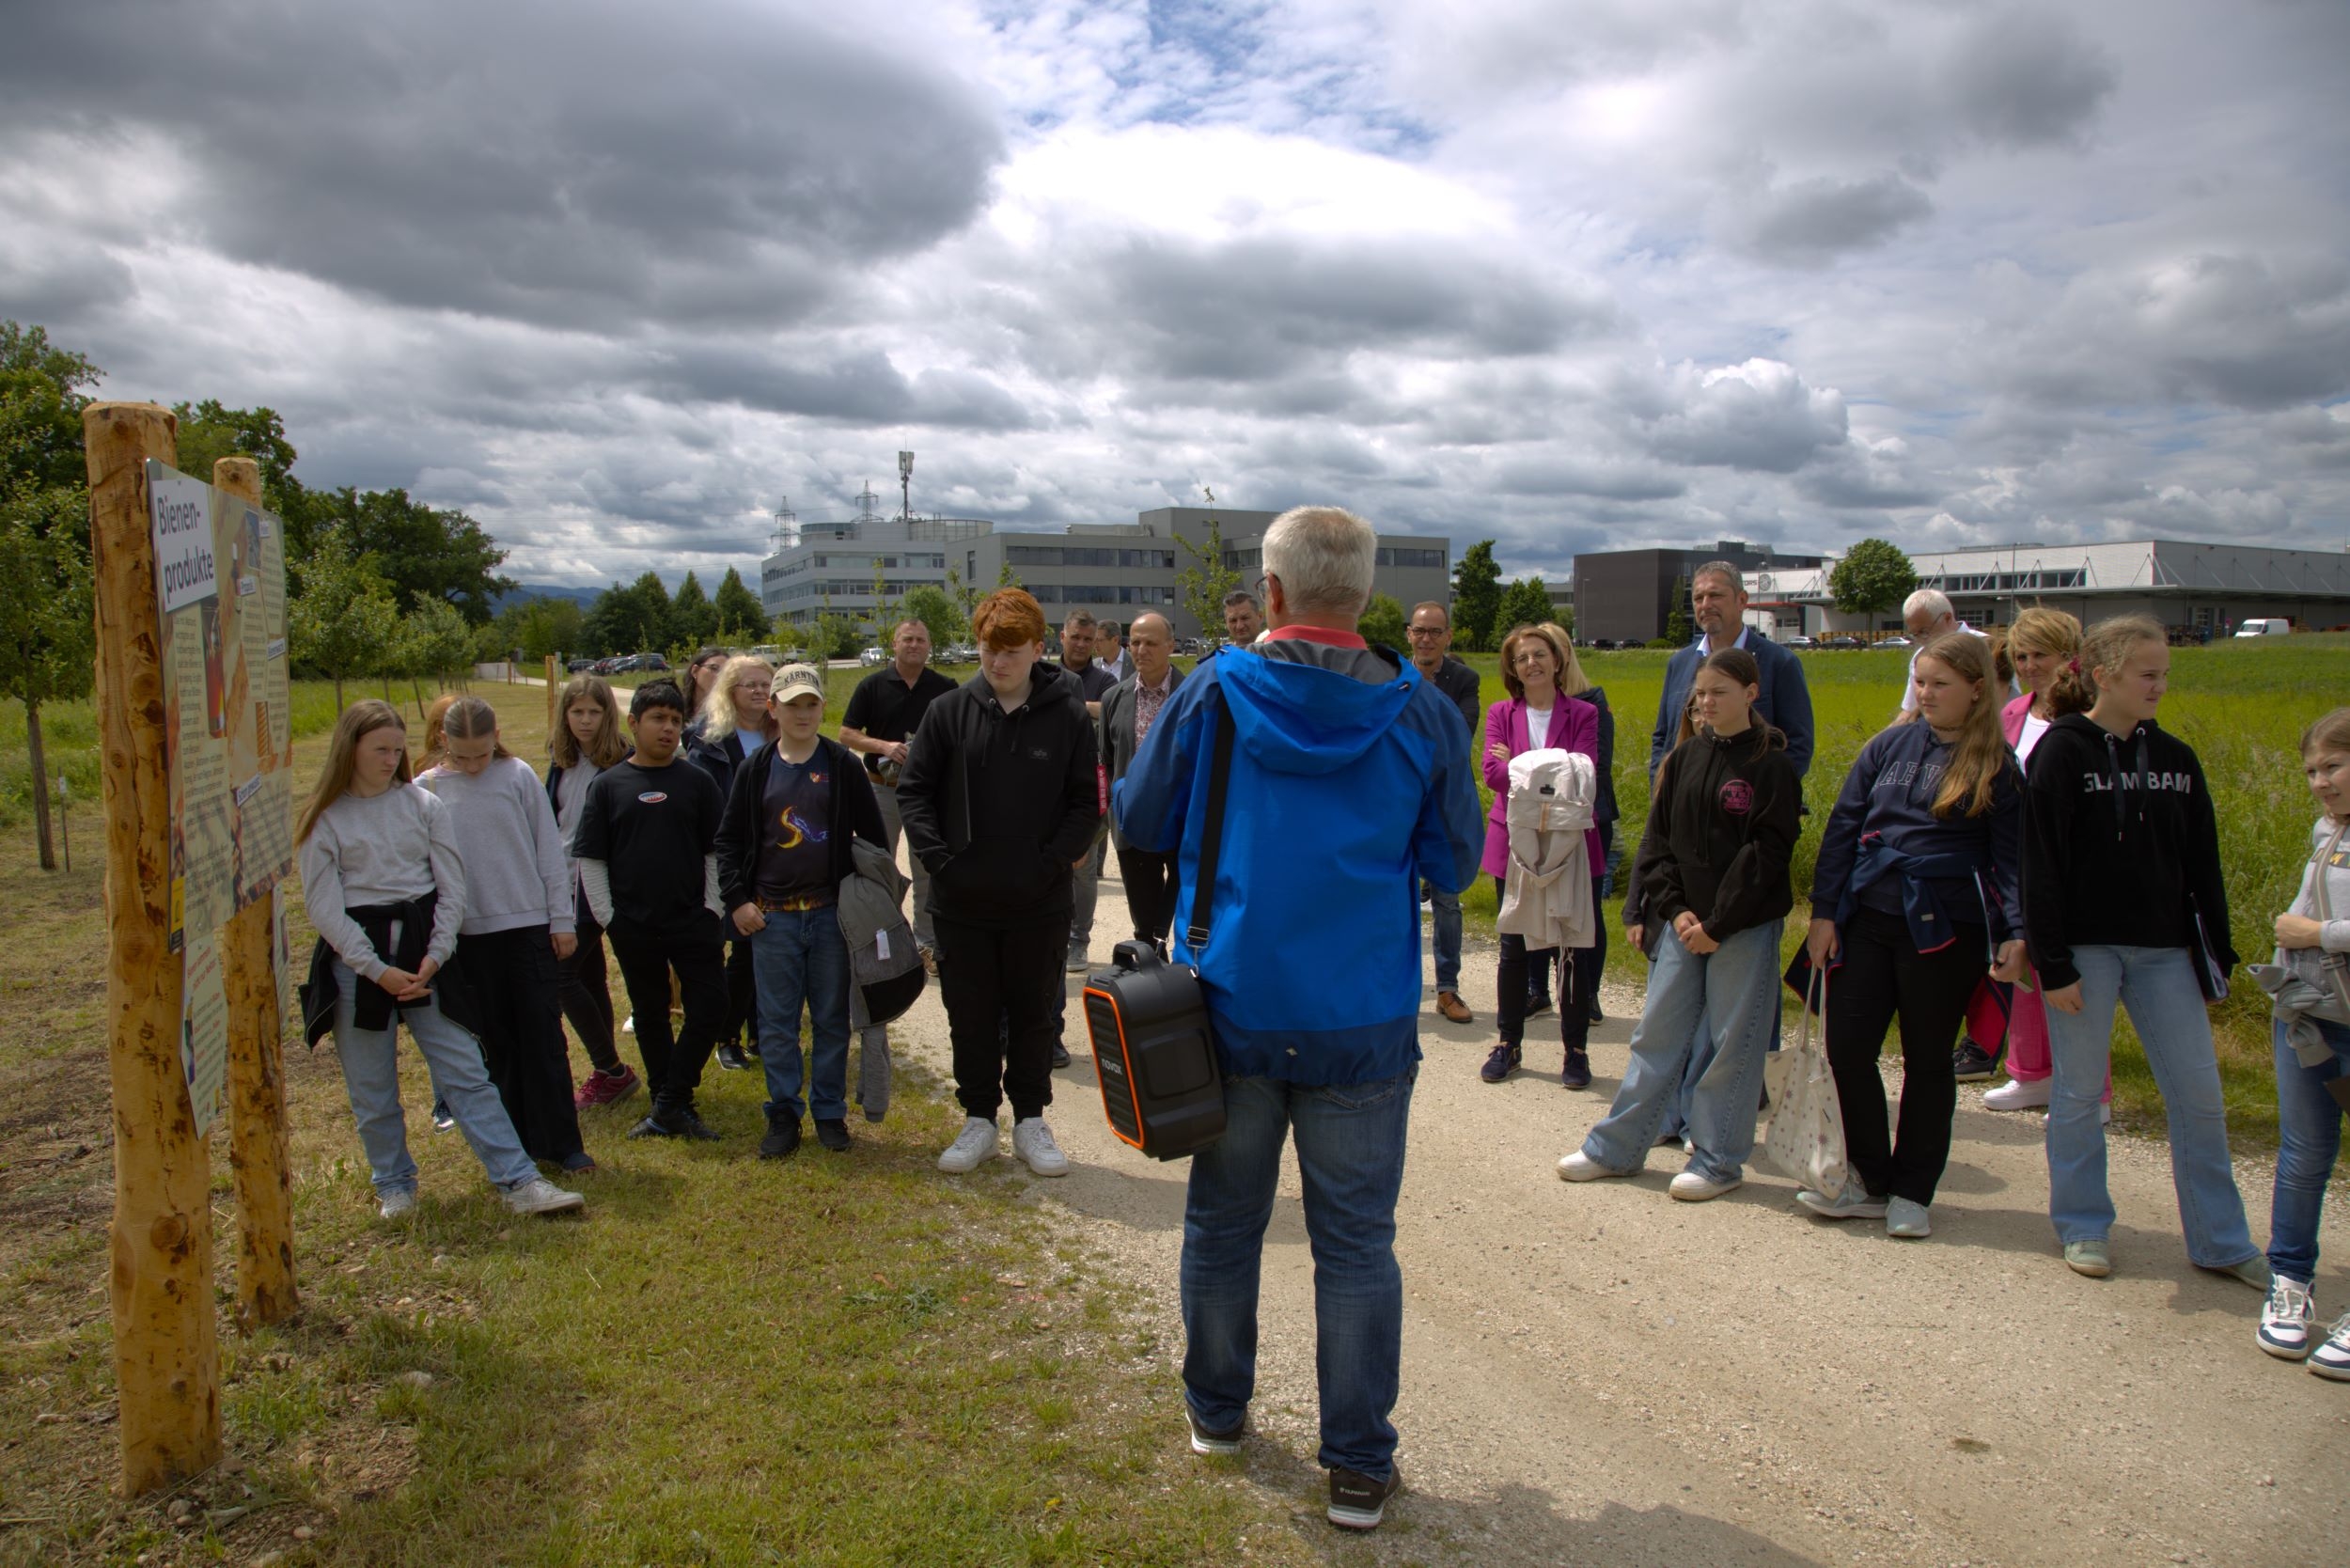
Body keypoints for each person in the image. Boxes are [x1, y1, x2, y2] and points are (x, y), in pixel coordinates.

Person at [1116, 506, 1482, 1534]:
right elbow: (1456, 864)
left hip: (1230, 1003)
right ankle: (1358, 1465)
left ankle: (1217, 1414)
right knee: (1357, 1245)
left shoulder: (1214, 691)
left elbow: (1138, 821)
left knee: (1224, 1223)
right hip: (1359, 1014)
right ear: (1362, 598)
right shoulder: (1421, 714)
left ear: (1269, 594)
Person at [2022, 615, 2265, 1287]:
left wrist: (2216, 958)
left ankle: (2220, 1240)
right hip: (2084, 951)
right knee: (2076, 1094)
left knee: (2198, 1096)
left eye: (2164, 674)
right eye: (2148, 674)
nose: (2160, 685)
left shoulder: (2177, 760)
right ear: (2104, 675)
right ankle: (2083, 1226)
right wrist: (2053, 963)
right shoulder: (2062, 753)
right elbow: (2039, 864)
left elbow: (2202, 867)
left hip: (2164, 954)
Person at [295, 700, 584, 1220]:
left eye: (396, 749)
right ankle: (394, 1184)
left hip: (427, 956)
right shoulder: (326, 818)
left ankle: (519, 1179)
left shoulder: (422, 805)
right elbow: (324, 907)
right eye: (378, 749)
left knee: (466, 1072)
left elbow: (452, 888)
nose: (390, 759)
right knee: (373, 1087)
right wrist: (374, 968)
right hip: (359, 962)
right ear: (350, 749)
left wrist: (434, 955)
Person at [1798, 634, 2027, 1237]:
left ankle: (1913, 1191)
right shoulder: (1888, 746)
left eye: (1940, 684)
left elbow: (2011, 863)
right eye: (1920, 682)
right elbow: (1844, 827)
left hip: (1947, 929)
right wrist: (1824, 914)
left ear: (1976, 689)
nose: (1925, 694)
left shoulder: (1999, 766)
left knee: (1929, 1061)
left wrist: (2014, 935)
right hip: (1868, 917)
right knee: (1847, 1049)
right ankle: (1870, 1179)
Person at [1559, 647, 1799, 1200]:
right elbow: (1660, 843)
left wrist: (1718, 922)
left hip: (1741, 926)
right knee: (1656, 1036)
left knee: (1729, 1045)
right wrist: (1672, 909)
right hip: (1683, 924)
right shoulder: (1686, 760)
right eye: (1700, 694)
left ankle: (1716, 1160)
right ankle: (1615, 1150)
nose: (1707, 703)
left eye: (1719, 692)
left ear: (1750, 694)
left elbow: (1767, 855)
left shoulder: (1771, 765)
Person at [898, 589, 1099, 1179]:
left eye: (1011, 651)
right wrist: (939, 859)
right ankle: (979, 1120)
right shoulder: (948, 711)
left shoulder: (1065, 714)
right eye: (988, 650)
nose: (998, 662)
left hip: (1038, 900)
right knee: (971, 1013)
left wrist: (1052, 861)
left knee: (1036, 1013)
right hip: (963, 902)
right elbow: (914, 791)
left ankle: (1031, 1119)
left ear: (1039, 648)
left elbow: (1086, 802)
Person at [716, 664, 886, 1158]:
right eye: (792, 705)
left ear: (821, 708)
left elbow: (874, 841)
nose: (803, 713)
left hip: (831, 916)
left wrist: (867, 905)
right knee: (776, 1022)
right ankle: (784, 1113)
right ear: (773, 709)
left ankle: (829, 1112)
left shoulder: (841, 765)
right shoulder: (756, 769)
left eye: (811, 704)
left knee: (833, 1019)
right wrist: (738, 902)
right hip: (773, 918)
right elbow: (728, 843)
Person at [418, 697, 593, 1174]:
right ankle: (516, 1145)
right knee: (495, 1043)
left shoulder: (516, 776)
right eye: (462, 755)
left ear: (496, 737)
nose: (474, 765)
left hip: (527, 928)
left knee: (543, 1037)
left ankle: (564, 1143)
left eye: (482, 753)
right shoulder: (426, 789)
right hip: (466, 938)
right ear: (442, 742)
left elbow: (548, 851)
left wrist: (561, 919)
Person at [573, 680, 731, 1142]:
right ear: (633, 724)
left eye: (675, 720)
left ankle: (670, 1101)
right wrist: (609, 918)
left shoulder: (697, 782)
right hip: (632, 925)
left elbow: (714, 852)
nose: (667, 729)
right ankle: (670, 1100)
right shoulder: (608, 787)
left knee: (712, 1006)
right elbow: (591, 858)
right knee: (650, 1012)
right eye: (658, 719)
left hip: (693, 920)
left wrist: (711, 906)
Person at [1979, 608, 2104, 1114]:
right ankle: (2031, 1073)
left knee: (2075, 976)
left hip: (2072, 860)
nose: (2030, 666)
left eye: (2040, 655)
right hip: (2018, 857)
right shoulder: (2012, 713)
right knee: (2021, 963)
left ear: (2071, 657)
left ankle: (2091, 1089)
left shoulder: (2090, 715)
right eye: (2022, 656)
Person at [2257, 706, 2350, 1373]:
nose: (2321, 781)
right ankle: (2289, 1283)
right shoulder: (2328, 831)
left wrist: (2317, 936)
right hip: (2311, 1020)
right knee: (2303, 1156)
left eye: (2335, 766)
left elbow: (2317, 926)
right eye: (2312, 769)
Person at [1477, 622, 1604, 1089]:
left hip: (1570, 843)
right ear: (1512, 668)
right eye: (1521, 657)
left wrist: (1521, 764)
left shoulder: (1585, 714)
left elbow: (1585, 776)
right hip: (1512, 842)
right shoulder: (1499, 713)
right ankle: (1508, 1043)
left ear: (1558, 660)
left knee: (1570, 950)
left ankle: (1575, 1052)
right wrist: (1551, 767)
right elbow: (1493, 774)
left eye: (1539, 654)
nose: (1531, 663)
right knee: (1513, 948)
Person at [838, 618, 957, 973]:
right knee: (878, 868)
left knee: (927, 869)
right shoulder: (872, 686)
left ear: (929, 646)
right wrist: (883, 746)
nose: (914, 645)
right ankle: (881, 942)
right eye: (908, 639)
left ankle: (927, 944)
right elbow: (845, 734)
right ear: (894, 644)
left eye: (921, 640)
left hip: (926, 794)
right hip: (881, 789)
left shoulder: (945, 687)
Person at [546, 674, 641, 1110]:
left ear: (608, 715)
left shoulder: (622, 761)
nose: (584, 721)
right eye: (576, 711)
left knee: (560, 976)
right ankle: (609, 1071)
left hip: (597, 883)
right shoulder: (561, 760)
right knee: (588, 978)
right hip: (561, 880)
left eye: (594, 712)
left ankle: (611, 1071)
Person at [1649, 561, 1814, 785]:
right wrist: (1660, 793)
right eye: (1698, 598)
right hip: (1684, 805)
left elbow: (1798, 745)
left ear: (1742, 600)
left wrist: (1763, 796)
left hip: (1749, 808)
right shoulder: (1679, 663)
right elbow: (1663, 737)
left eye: (1715, 595)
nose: (1705, 605)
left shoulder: (1779, 663)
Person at [689, 656, 777, 1073]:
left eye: (766, 684)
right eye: (749, 685)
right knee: (742, 953)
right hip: (734, 859)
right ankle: (727, 1037)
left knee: (774, 949)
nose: (759, 691)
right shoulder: (710, 740)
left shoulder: (783, 730)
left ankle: (764, 1033)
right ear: (730, 691)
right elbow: (703, 806)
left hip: (781, 857)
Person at [1404, 600, 1482, 1024]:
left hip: (1446, 803)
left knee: (1447, 900)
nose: (1427, 639)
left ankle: (1448, 988)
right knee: (1397, 896)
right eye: (1420, 631)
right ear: (1409, 635)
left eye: (1435, 632)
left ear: (1448, 637)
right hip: (1398, 801)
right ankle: (1401, 986)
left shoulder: (1464, 678)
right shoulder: (1390, 675)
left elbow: (1460, 733)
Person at [1099, 612, 1185, 952]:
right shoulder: (1113, 699)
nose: (1141, 649)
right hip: (1133, 825)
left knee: (1188, 917)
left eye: (1150, 642)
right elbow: (1106, 760)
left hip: (1182, 825)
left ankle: (1187, 989)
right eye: (1134, 642)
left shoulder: (1194, 692)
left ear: (1170, 646)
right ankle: (1152, 990)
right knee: (1145, 927)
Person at [1051, 612, 1120, 973]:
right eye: (1075, 637)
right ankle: (1052, 934)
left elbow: (1110, 710)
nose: (1080, 644)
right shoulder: (1044, 675)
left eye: (1087, 639)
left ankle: (1079, 940)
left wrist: (1074, 707)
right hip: (1046, 787)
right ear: (1062, 636)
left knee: (1083, 868)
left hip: (1089, 788)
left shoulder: (1104, 679)